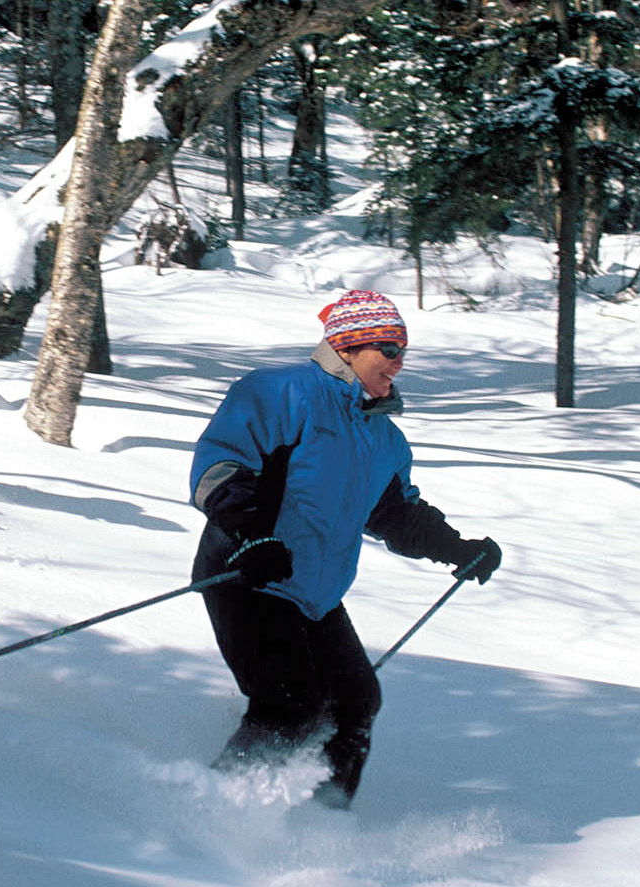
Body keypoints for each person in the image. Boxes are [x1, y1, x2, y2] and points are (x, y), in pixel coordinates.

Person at [190, 289, 501, 809]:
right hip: (248, 573)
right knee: (292, 706)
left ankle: (321, 822)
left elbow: (396, 514)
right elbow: (221, 468)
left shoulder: (384, 439)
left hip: (314, 592)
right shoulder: (280, 392)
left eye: (403, 351)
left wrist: (458, 548)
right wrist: (252, 536)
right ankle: (209, 810)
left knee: (356, 703)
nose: (398, 365)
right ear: (351, 346)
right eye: (389, 349)